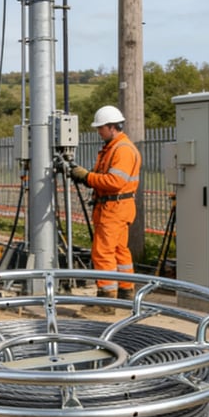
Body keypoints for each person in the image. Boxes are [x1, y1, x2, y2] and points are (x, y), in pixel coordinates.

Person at [71, 105, 142, 310]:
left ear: (112, 127)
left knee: (103, 252)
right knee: (120, 252)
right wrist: (88, 177)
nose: (98, 131)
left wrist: (86, 176)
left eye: (101, 127)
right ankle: (125, 292)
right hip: (116, 206)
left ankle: (106, 301)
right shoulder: (113, 148)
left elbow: (114, 181)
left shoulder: (123, 150)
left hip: (114, 207)